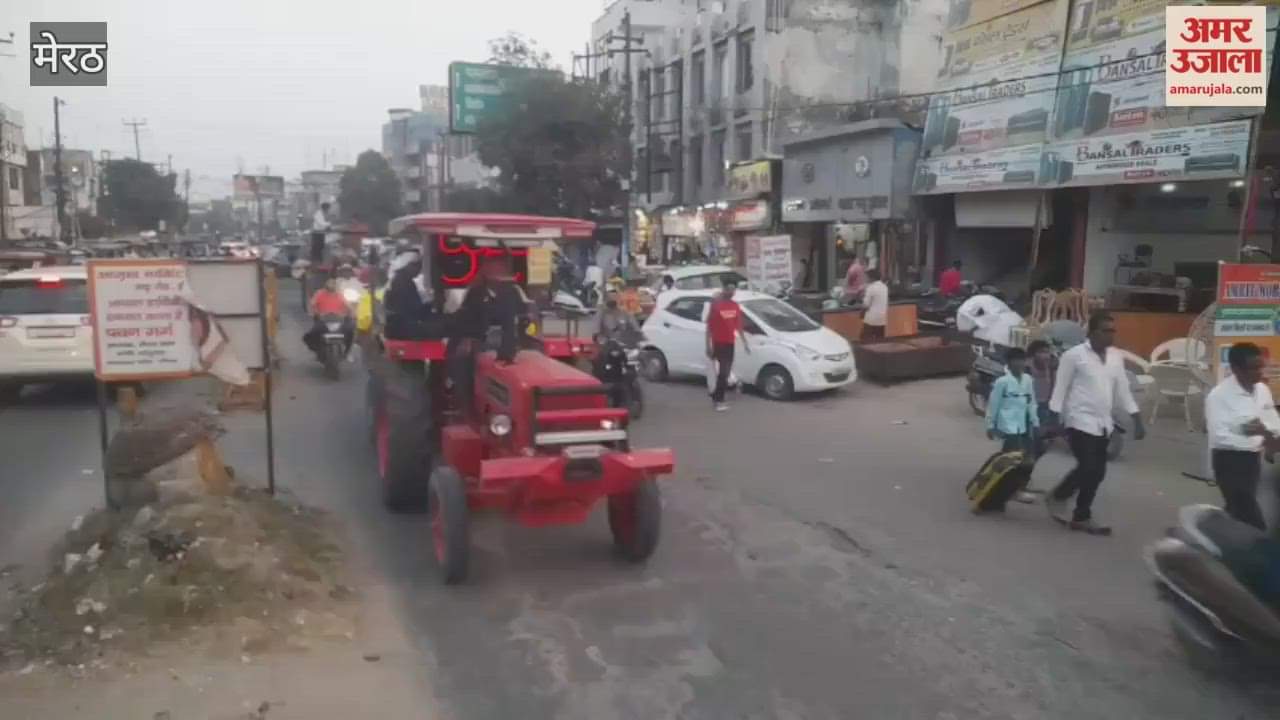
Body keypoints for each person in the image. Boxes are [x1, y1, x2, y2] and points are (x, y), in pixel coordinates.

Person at [1045, 312, 1146, 535]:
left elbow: (1123, 390)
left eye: (1113, 331)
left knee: (1097, 472)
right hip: (1078, 420)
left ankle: (1077, 513)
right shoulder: (1074, 356)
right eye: (1105, 330)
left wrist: (1136, 418)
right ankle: (1066, 502)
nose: (1110, 335)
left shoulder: (1115, 357)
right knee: (1089, 466)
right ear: (1091, 333)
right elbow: (1060, 389)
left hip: (1103, 423)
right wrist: (1053, 419)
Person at [1205, 342, 1280, 531]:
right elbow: (1219, 437)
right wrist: (1259, 436)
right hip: (1229, 461)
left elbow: (1272, 419)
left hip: (1252, 461)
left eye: (1261, 367)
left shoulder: (1262, 390)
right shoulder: (1218, 396)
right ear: (1236, 369)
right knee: (1250, 516)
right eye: (1253, 368)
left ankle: (1215, 532)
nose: (1259, 372)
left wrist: (1271, 434)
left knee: (1237, 508)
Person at [704, 281, 751, 412]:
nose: (732, 292)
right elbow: (709, 327)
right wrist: (708, 345)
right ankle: (719, 400)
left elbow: (738, 326)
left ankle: (716, 395)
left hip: (730, 343)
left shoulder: (735, 306)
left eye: (733, 290)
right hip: (718, 343)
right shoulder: (716, 306)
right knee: (723, 372)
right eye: (729, 289)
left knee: (725, 372)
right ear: (724, 290)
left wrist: (745, 342)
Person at [304, 272, 354, 356]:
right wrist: (313, 312)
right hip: (323, 320)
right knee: (310, 335)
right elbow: (312, 304)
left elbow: (349, 307)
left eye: (333, 288)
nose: (331, 291)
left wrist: (351, 314)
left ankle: (347, 351)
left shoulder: (340, 295)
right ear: (326, 287)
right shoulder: (320, 294)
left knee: (350, 332)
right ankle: (316, 349)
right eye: (330, 288)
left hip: (338, 320)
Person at [860, 269, 889, 342]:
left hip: (871, 319)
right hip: (882, 319)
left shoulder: (871, 288)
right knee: (880, 341)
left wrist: (861, 314)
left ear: (872, 278)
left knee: (865, 340)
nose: (866, 279)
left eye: (867, 277)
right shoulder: (885, 287)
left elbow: (866, 305)